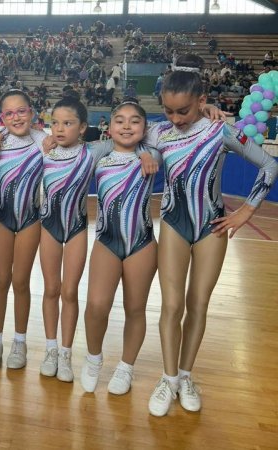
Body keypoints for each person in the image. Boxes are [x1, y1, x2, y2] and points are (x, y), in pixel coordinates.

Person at [145, 54, 278, 416]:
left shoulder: (221, 131)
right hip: (174, 223)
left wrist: (247, 210)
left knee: (197, 305)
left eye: (183, 111)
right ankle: (168, 378)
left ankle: (186, 376)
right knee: (171, 306)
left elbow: (269, 164)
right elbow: (125, 129)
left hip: (211, 227)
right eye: (168, 111)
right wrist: (143, 153)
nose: (175, 118)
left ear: (202, 101)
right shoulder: (158, 132)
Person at [81, 100, 161, 395]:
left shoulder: (154, 154)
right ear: (109, 126)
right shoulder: (98, 154)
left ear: (145, 127)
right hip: (107, 240)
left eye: (135, 121)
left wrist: (143, 152)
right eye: (120, 120)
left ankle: (126, 367)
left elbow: (174, 129)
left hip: (141, 243)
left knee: (135, 308)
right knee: (96, 305)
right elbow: (67, 147)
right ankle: (93, 358)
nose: (127, 126)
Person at [0, 90, 46, 371]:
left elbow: (79, 147)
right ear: (2, 118)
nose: (16, 117)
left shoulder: (43, 141)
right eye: (9, 113)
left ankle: (20, 341)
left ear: (31, 112)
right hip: (2, 219)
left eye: (21, 111)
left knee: (20, 281)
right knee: (0, 279)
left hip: (31, 219)